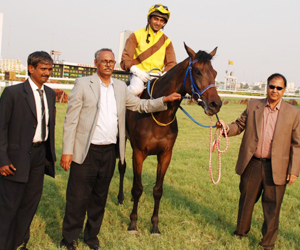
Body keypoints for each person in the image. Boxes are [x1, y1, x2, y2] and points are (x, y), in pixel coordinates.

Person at [60, 48, 181, 250]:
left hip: (109, 152)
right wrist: (66, 151)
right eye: (104, 61)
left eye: (111, 61)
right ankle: (69, 239)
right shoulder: (83, 84)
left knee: (99, 197)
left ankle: (91, 238)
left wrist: (164, 101)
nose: (108, 64)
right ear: (96, 62)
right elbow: (70, 120)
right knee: (78, 197)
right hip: (86, 151)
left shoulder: (120, 87)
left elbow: (140, 106)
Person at [217, 73, 300, 250]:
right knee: (246, 199)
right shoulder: (254, 105)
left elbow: (297, 144)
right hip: (253, 163)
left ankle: (267, 243)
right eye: (272, 86)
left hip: (277, 167)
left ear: (284, 90)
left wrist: (293, 171)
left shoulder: (294, 113)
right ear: (266, 86)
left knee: (272, 206)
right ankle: (240, 232)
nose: (274, 91)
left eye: (279, 88)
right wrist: (226, 129)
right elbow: (239, 125)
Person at [0, 51, 56, 250]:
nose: (47, 73)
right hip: (15, 158)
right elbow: (2, 128)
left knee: (30, 203)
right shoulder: (13, 93)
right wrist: (2, 159)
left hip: (39, 156)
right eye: (43, 69)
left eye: (49, 69)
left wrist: (50, 156)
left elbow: (49, 125)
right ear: (30, 68)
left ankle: (19, 243)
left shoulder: (49, 94)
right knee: (9, 206)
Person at [121, 4, 176, 95]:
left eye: (162, 21)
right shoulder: (136, 35)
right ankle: (117, 105)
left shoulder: (167, 41)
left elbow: (172, 63)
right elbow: (126, 58)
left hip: (157, 77)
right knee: (136, 90)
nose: (158, 23)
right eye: (156, 19)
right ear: (149, 18)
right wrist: (137, 72)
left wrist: (164, 74)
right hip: (138, 75)